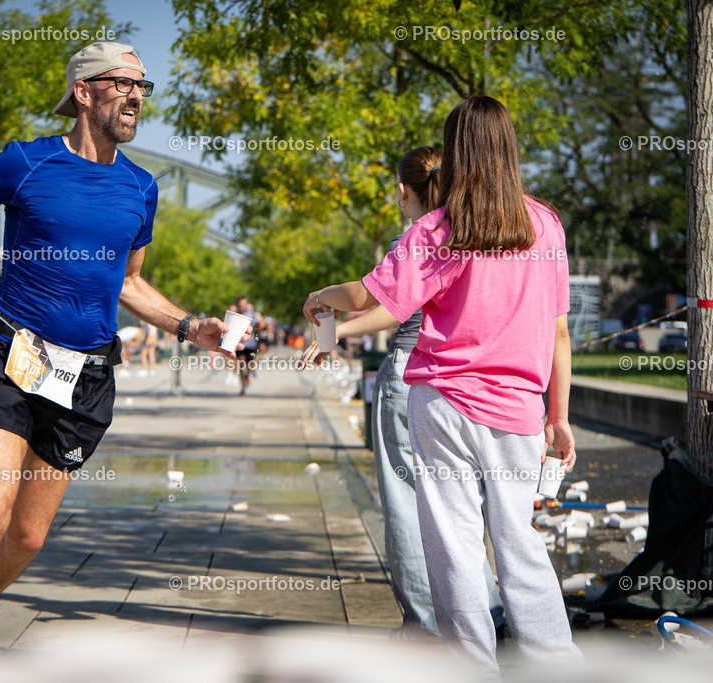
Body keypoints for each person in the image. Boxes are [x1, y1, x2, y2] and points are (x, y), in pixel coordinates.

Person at [0, 41, 247, 673]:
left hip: (85, 374)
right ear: (85, 91)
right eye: (124, 83)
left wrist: (187, 326)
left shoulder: (141, 188)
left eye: (143, 86)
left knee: (28, 535)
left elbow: (126, 282)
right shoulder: (26, 162)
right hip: (11, 353)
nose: (137, 96)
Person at [302, 96, 581, 676]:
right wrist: (559, 417)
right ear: (510, 147)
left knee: (453, 546)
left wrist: (328, 315)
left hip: (443, 402)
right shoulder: (546, 224)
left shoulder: (439, 227)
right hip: (519, 411)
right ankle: (556, 664)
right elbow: (559, 331)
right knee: (520, 543)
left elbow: (380, 299)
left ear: (455, 153)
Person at [302, 147, 504, 639]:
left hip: (411, 376)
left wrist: (321, 298)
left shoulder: (420, 235)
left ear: (401, 190)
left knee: (408, 505)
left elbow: (374, 300)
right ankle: (489, 614)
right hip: (469, 383)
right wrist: (332, 337)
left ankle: (427, 628)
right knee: (460, 510)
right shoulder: (479, 234)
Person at [234, 296, 265, 394]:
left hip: (251, 344)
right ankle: (243, 387)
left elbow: (259, 326)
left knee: (250, 365)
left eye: (244, 304)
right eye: (240, 304)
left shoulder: (251, 314)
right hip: (240, 344)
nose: (242, 306)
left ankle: (247, 377)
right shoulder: (235, 315)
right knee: (242, 364)